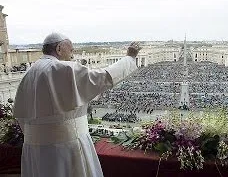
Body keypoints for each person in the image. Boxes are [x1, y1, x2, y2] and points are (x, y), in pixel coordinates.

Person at [13, 32, 142, 177]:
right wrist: (129, 57)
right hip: (65, 147)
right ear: (59, 48)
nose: (72, 55)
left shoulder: (29, 73)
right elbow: (103, 78)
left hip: (34, 150)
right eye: (71, 50)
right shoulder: (62, 69)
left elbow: (22, 117)